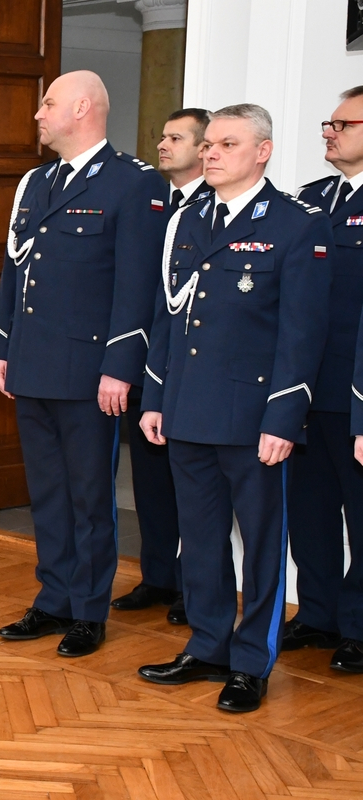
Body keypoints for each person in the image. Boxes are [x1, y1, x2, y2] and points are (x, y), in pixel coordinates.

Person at [137, 104, 333, 713]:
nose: (211, 153)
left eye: (227, 143)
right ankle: (208, 645)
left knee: (262, 546)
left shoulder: (296, 224)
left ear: (262, 151)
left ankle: (250, 664)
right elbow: (168, 317)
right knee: (199, 541)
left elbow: (303, 334)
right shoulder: (189, 218)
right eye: (209, 144)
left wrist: (284, 418)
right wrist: (155, 397)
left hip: (254, 418)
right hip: (187, 409)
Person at [0, 71, 168, 657]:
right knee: (47, 493)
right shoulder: (36, 182)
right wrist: (1, 347)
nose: (39, 114)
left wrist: (121, 366)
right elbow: (15, 271)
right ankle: (53, 599)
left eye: (48, 103)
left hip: (91, 371)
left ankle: (88, 610)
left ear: (83, 108)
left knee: (90, 497)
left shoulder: (133, 182)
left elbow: (138, 286)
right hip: (33, 363)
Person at [111, 108, 212, 626]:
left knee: (193, 487)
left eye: (177, 137)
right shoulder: (150, 201)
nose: (163, 144)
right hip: (144, 362)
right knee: (150, 479)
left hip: (192, 367)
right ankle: (157, 576)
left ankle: (194, 586)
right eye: (163, 135)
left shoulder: (215, 208)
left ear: (203, 148)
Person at [284, 87, 363, 671]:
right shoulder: (311, 201)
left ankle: (358, 626)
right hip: (305, 389)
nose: (329, 133)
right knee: (309, 511)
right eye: (328, 124)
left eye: (343, 124)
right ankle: (317, 614)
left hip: (355, 392)